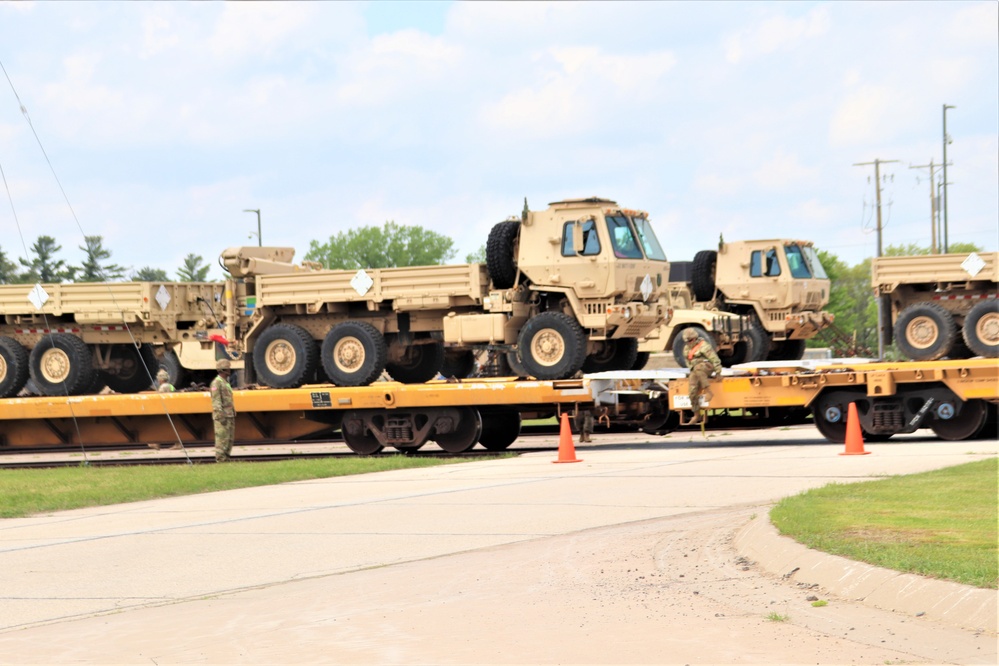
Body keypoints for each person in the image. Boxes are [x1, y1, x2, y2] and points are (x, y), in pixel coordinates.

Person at [682, 328, 722, 425]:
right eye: (687, 341)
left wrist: (718, 372)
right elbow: (688, 361)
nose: (689, 343)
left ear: (695, 338)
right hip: (696, 369)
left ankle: (709, 391)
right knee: (692, 391)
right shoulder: (687, 348)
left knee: (699, 368)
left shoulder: (704, 346)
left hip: (706, 366)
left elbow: (714, 359)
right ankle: (696, 414)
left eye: (690, 340)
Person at [210, 359, 236, 462]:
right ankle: (221, 459)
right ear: (223, 370)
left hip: (229, 415)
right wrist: (220, 415)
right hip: (222, 416)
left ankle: (226, 458)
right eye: (228, 368)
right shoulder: (217, 383)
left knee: (229, 439)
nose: (229, 370)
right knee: (222, 439)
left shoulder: (225, 382)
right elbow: (216, 401)